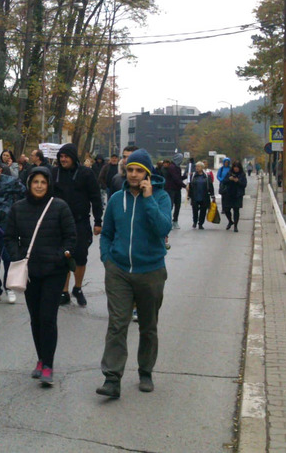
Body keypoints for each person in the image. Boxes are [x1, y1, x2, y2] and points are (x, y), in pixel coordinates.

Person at [96, 148, 171, 399]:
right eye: (130, 169)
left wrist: (148, 199)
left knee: (148, 326)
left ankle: (146, 371)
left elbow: (162, 228)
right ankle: (112, 378)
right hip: (119, 271)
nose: (134, 174)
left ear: (148, 173)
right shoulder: (117, 199)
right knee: (117, 324)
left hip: (151, 271)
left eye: (139, 170)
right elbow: (106, 233)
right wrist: (107, 258)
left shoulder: (161, 198)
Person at [4, 167, 77, 386]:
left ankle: (48, 365)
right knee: (35, 318)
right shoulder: (18, 208)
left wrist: (59, 255)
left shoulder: (59, 207)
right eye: (35, 182)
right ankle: (40, 358)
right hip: (30, 272)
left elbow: (71, 237)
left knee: (47, 317)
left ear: (48, 185)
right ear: (28, 184)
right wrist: (18, 257)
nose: (38, 186)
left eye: (43, 182)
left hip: (54, 272)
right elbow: (9, 237)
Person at [50, 143, 102, 307]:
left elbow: (95, 197)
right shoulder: (54, 173)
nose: (63, 159)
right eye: (61, 157)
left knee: (80, 257)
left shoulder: (86, 173)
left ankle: (77, 288)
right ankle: (64, 291)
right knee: (63, 257)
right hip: (59, 224)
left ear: (73, 157)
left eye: (66, 156)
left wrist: (98, 221)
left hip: (80, 222)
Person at [0, 161, 26, 304]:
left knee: (8, 258)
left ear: (0, 171)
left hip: (7, 225)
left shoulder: (11, 181)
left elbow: (24, 193)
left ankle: (9, 288)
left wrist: (17, 210)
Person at [220, 160, 248, 232]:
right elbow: (224, 182)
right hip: (228, 194)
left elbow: (244, 185)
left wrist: (237, 181)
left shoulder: (242, 175)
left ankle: (235, 225)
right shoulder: (229, 173)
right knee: (226, 209)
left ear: (239, 168)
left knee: (236, 210)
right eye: (235, 167)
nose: (236, 168)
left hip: (237, 195)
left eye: (237, 167)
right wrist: (229, 179)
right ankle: (230, 221)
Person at [187, 161, 215, 229]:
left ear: (202, 167)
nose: (197, 168)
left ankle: (200, 223)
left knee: (203, 210)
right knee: (195, 210)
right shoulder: (193, 175)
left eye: (198, 166)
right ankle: (195, 222)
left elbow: (210, 185)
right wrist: (188, 194)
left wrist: (212, 195)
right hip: (195, 195)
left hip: (204, 195)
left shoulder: (207, 176)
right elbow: (189, 185)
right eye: (196, 166)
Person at [163, 159, 185, 229]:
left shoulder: (177, 167)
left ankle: (175, 220)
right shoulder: (172, 167)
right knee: (170, 205)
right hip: (170, 189)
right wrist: (184, 186)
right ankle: (169, 221)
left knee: (177, 205)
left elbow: (178, 178)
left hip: (177, 189)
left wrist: (185, 176)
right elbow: (176, 179)